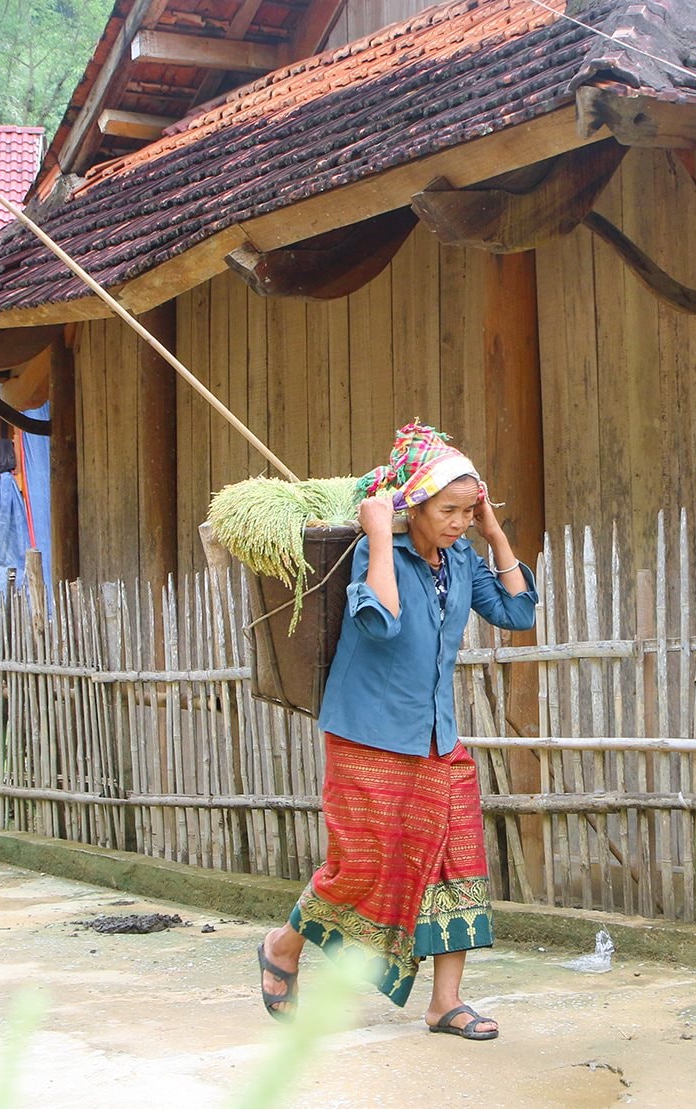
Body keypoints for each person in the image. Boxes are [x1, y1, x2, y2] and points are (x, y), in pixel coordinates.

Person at [256, 423, 536, 1041]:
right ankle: (282, 945)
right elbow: (380, 623)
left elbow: (518, 612)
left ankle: (446, 1003)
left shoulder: (463, 556)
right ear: (414, 505)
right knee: (358, 863)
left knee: (455, 860)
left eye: (469, 510)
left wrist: (494, 533)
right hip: (368, 736)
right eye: (450, 511)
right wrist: (382, 537)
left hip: (438, 740)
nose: (460, 522)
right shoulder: (377, 551)